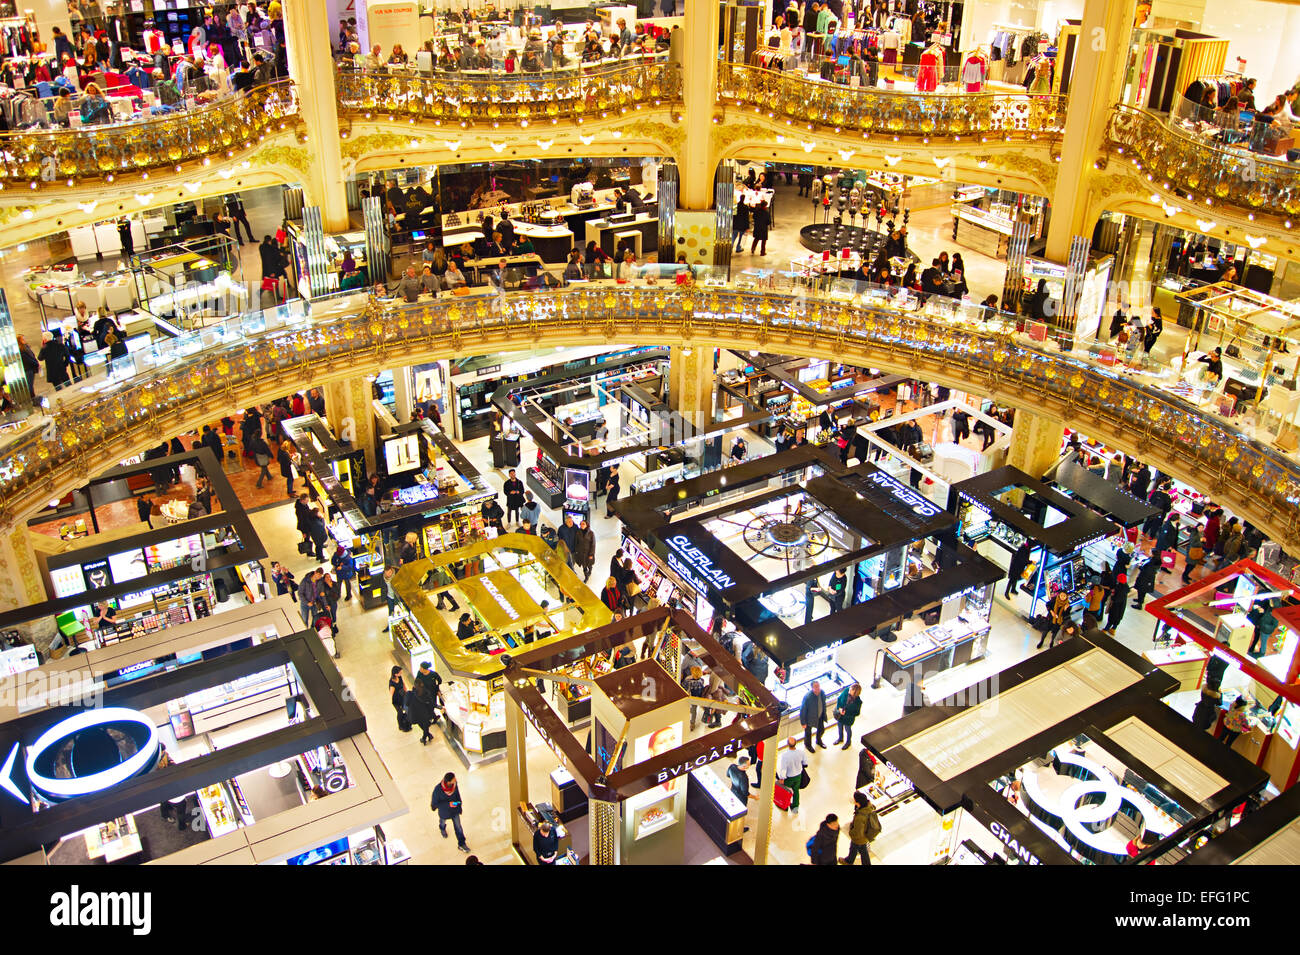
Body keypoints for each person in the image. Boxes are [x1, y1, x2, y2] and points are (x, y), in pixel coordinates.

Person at [431, 772, 470, 852]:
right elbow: (435, 804)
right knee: (442, 822)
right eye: (453, 779)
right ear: (448, 782)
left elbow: (457, 796)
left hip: (454, 811)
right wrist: (448, 804)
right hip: (444, 812)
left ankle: (461, 844)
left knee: (458, 827)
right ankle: (442, 828)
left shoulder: (454, 785)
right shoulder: (438, 790)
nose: (455, 780)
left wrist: (459, 804)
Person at [843, 790, 881, 865]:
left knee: (861, 850)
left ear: (858, 802)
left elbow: (858, 832)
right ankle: (849, 861)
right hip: (865, 835)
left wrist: (851, 833)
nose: (854, 801)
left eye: (855, 800)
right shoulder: (868, 807)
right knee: (855, 848)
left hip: (860, 838)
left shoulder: (860, 817)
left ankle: (849, 861)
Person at [776, 736, 808, 813]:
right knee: (796, 791)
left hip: (789, 778)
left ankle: (785, 806)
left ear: (787, 744)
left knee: (786, 792)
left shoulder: (785, 756)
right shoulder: (801, 752)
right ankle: (795, 808)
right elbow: (805, 763)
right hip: (798, 776)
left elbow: (783, 769)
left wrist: (782, 778)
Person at [832, 682, 862, 749]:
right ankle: (840, 738)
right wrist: (839, 708)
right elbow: (839, 699)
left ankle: (848, 742)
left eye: (851, 690)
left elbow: (857, 713)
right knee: (839, 727)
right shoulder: (846, 691)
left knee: (847, 729)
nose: (849, 691)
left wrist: (846, 713)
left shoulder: (858, 702)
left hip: (848, 719)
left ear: (855, 693)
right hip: (840, 716)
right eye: (850, 689)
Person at [800, 680, 827, 752]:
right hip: (809, 719)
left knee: (821, 730)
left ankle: (818, 741)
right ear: (812, 688)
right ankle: (808, 745)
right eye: (816, 687)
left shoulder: (822, 693)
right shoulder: (808, 697)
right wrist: (803, 722)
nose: (818, 688)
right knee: (808, 733)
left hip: (820, 716)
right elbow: (803, 710)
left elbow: (823, 704)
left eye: (818, 686)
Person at [388, 665, 407, 730]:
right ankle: (400, 725)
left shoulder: (400, 677)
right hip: (397, 699)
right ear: (395, 674)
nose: (401, 674)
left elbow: (403, 684)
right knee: (399, 712)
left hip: (402, 696)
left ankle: (406, 721)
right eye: (400, 673)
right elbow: (391, 693)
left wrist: (405, 691)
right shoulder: (392, 683)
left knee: (406, 709)